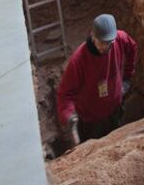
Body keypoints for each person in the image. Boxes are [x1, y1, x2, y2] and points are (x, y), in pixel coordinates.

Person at [57, 14, 138, 146]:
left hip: (114, 110)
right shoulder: (79, 60)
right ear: (93, 36)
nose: (105, 47)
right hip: (91, 119)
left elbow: (132, 47)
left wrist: (127, 77)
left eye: (109, 43)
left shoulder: (119, 39)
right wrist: (69, 115)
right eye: (102, 42)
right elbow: (65, 93)